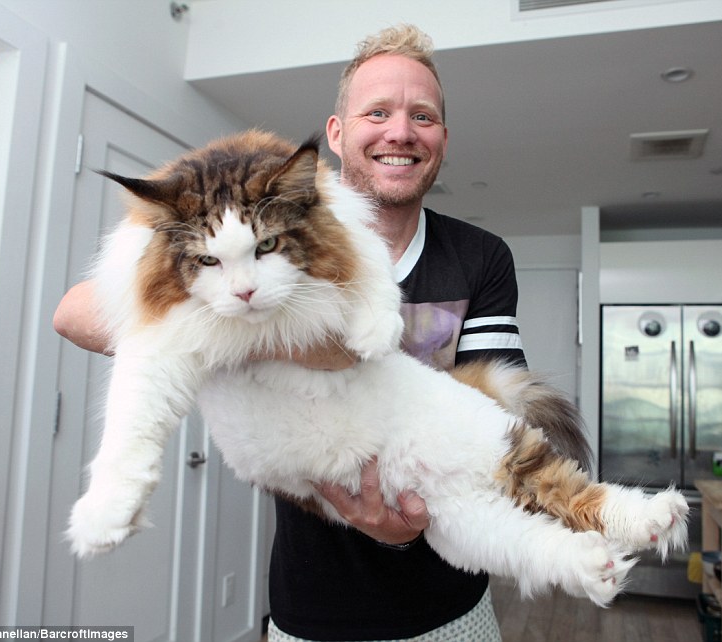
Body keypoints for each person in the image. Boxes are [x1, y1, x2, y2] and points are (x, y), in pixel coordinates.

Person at [54, 24, 526, 642]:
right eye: (376, 111)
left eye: (423, 116)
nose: (400, 131)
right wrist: (285, 336)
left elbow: (498, 415)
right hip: (311, 607)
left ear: (442, 137)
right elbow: (80, 313)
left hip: (452, 599)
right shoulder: (242, 247)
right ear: (337, 133)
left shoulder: (481, 255)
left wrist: (414, 513)